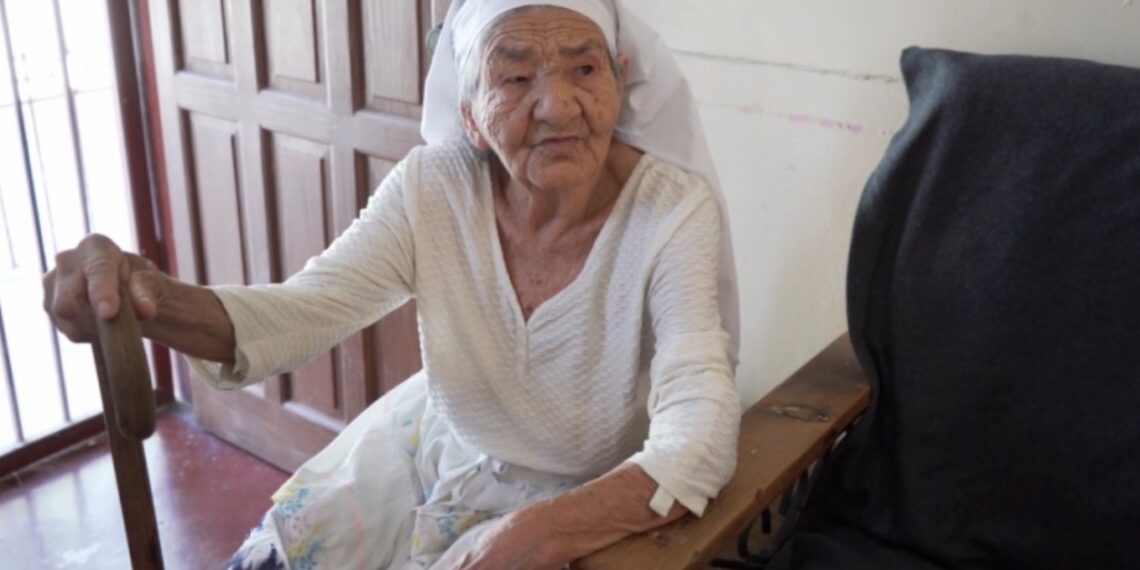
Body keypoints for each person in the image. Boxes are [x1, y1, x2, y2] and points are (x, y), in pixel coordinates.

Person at [42, 0, 742, 568]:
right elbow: (302, 313)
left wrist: (535, 535)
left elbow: (698, 439)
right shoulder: (432, 188)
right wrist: (153, 301)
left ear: (619, 83)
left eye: (582, 68)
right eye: (515, 77)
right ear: (468, 115)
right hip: (432, 446)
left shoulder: (669, 211)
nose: (556, 106)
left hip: (583, 492)